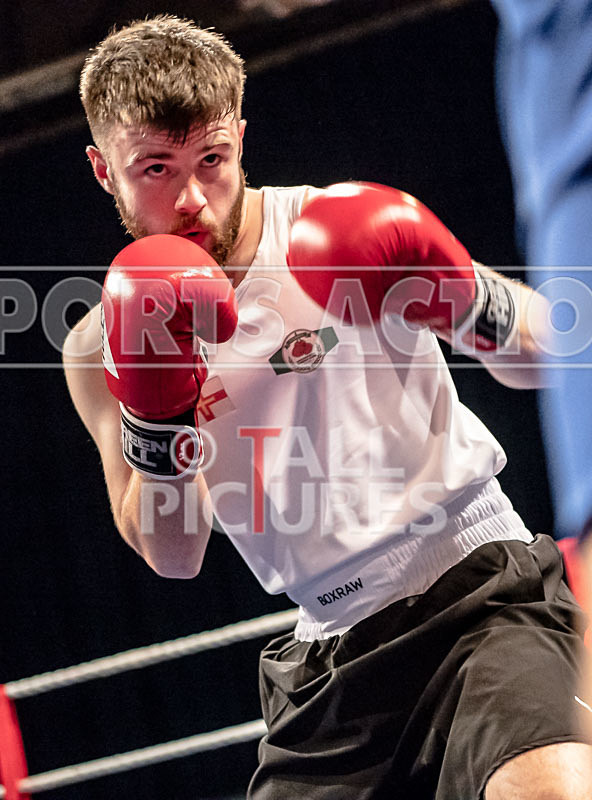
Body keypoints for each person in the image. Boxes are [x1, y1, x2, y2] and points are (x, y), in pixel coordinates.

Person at [62, 14, 592, 799]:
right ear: (104, 170)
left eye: (212, 160)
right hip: (333, 658)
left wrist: (461, 292)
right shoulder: (95, 347)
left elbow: (558, 353)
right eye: (156, 170)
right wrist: (157, 405)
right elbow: (175, 555)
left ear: (240, 134)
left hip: (481, 591)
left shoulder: (332, 232)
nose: (194, 200)